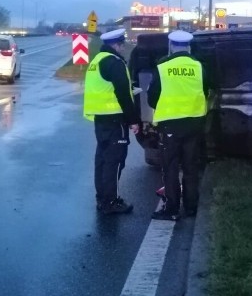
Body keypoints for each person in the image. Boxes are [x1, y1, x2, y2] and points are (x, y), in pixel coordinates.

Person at [147, 30, 210, 221]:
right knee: (191, 166)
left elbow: (152, 98)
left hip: (170, 125)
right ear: (188, 47)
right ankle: (191, 208)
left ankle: (172, 208)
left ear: (171, 46)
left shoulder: (162, 66)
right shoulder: (199, 66)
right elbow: (205, 92)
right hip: (194, 123)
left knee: (171, 166)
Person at [83, 28, 139, 214]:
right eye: (122, 45)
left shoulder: (96, 61)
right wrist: (133, 120)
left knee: (102, 160)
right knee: (114, 162)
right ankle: (111, 201)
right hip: (116, 119)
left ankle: (102, 198)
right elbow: (123, 94)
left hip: (100, 119)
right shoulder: (115, 63)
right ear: (117, 44)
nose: (123, 48)